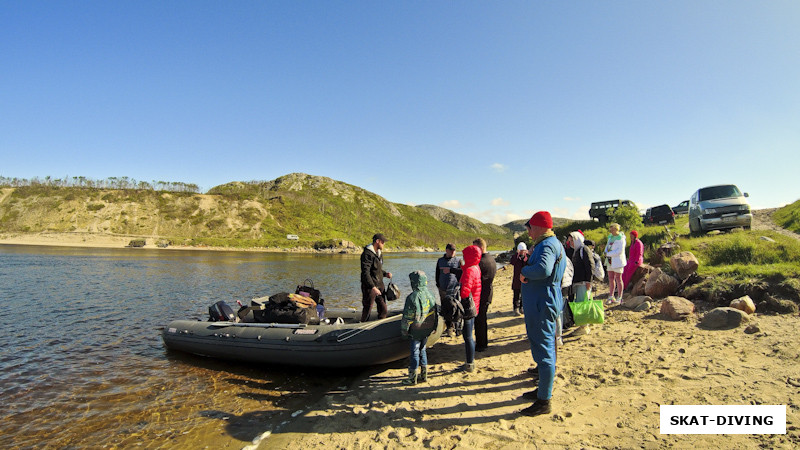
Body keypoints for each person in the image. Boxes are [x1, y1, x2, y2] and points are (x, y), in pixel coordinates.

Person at [518, 211, 566, 416]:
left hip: (542, 303)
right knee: (543, 347)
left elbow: (544, 270)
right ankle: (542, 389)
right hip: (543, 300)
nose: (528, 231)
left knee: (545, 349)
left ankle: (544, 400)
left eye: (529, 227)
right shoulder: (550, 243)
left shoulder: (547, 244)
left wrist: (524, 272)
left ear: (538, 226)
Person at [400, 270, 437, 385]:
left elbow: (407, 318)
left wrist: (404, 332)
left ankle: (412, 378)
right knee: (423, 349)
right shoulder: (430, 294)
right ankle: (424, 374)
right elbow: (435, 312)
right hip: (427, 329)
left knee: (415, 352)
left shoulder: (411, 298)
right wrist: (434, 327)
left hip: (416, 330)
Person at [458, 244, 482, 373]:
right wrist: (462, 266)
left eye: (464, 256)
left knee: (467, 336)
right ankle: (470, 361)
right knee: (469, 335)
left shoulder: (470, 271)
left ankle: (469, 363)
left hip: (468, 307)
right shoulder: (475, 268)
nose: (463, 258)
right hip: (474, 306)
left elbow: (465, 292)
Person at [360, 233, 393, 321]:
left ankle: (380, 326)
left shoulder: (379, 253)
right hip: (369, 287)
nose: (384, 244)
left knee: (383, 309)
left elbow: (377, 270)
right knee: (367, 309)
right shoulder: (367, 254)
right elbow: (365, 273)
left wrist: (385, 274)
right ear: (377, 241)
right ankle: (362, 325)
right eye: (382, 242)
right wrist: (372, 287)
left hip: (380, 285)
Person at [473, 238, 496, 352]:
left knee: (480, 320)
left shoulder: (481, 262)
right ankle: (483, 342)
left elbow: (475, 277)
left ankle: (481, 344)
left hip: (482, 294)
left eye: (475, 248)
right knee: (482, 319)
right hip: (488, 293)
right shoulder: (491, 258)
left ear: (481, 248)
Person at [435, 243, 462, 336]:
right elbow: (437, 273)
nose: (453, 252)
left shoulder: (458, 261)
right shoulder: (440, 261)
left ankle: (457, 327)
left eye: (454, 250)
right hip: (442, 289)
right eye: (451, 250)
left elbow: (462, 274)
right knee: (445, 308)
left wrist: (460, 286)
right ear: (446, 250)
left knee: (456, 308)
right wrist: (438, 285)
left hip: (454, 289)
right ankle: (449, 327)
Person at [570, 231, 594, 336]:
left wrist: (589, 281)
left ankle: (584, 327)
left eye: (572, 240)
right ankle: (585, 324)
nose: (570, 243)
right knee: (581, 302)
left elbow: (590, 265)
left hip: (583, 282)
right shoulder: (577, 250)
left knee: (582, 303)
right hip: (579, 282)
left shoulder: (584, 249)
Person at [604, 223, 627, 306]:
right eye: (611, 230)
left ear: (617, 229)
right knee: (611, 278)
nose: (611, 231)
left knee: (618, 278)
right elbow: (607, 246)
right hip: (610, 261)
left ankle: (620, 297)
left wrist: (608, 254)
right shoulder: (610, 237)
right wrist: (605, 252)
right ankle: (611, 295)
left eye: (613, 229)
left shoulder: (621, 239)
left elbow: (619, 251)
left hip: (617, 261)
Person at [509, 242, 529, 316]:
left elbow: (529, 263)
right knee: (516, 295)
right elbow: (512, 262)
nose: (522, 252)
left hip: (525, 279)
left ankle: (522, 307)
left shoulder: (527, 258)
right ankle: (516, 308)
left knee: (524, 295)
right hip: (517, 279)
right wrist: (517, 256)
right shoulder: (515, 257)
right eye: (521, 251)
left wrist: (526, 258)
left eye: (523, 251)